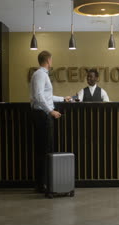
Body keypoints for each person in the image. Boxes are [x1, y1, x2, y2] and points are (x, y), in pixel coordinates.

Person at [30, 50, 71, 193]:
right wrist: (51, 111)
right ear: (48, 60)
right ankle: (42, 184)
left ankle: (43, 183)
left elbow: (47, 96)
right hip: (42, 116)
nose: (52, 62)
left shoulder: (41, 75)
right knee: (44, 150)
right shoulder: (40, 74)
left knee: (46, 149)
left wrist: (62, 99)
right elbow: (39, 96)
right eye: (51, 59)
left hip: (42, 114)